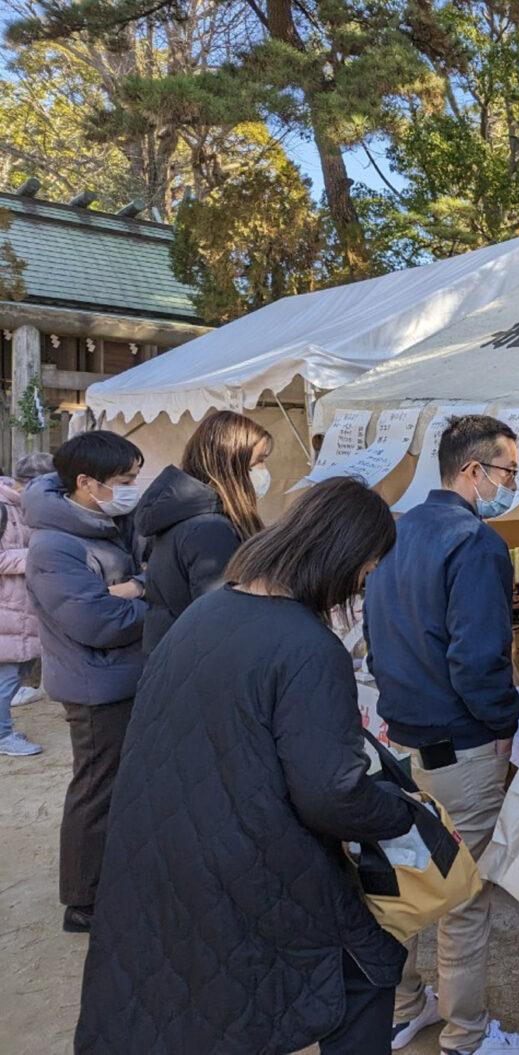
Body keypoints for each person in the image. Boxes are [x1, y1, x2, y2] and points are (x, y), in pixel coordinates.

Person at [74, 477, 420, 1055]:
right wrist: (401, 810)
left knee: (197, 1003)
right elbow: (330, 793)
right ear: (344, 556)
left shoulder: (207, 611)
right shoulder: (309, 647)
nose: (364, 583)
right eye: (369, 566)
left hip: (162, 846)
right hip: (247, 857)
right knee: (367, 970)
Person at [364, 413, 519, 1055]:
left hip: (400, 742)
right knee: (464, 899)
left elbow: (377, 644)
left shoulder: (393, 533)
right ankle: (466, 1036)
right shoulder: (476, 542)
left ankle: (408, 1005)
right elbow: (477, 658)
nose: (512, 485)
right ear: (473, 470)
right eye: (509, 472)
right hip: (460, 746)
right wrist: (501, 725)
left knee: (406, 882)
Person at [23, 431, 146, 933]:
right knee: (97, 789)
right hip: (95, 686)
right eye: (125, 481)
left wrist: (130, 590)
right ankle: (84, 902)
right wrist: (146, 591)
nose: (132, 488)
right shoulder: (55, 545)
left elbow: (123, 598)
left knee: (118, 787)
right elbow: (97, 622)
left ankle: (111, 883)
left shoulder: (105, 524)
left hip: (122, 677)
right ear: (85, 483)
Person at [134, 409, 274, 654]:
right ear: (231, 465)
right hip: (196, 667)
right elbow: (224, 621)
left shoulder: (187, 516)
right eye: (258, 461)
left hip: (176, 660)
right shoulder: (209, 529)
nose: (264, 470)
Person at [0, 454, 49, 756]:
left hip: (21, 609)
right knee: (6, 679)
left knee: (12, 676)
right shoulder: (4, 508)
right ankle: (3, 736)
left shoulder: (24, 507)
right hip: (6, 610)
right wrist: (39, 554)